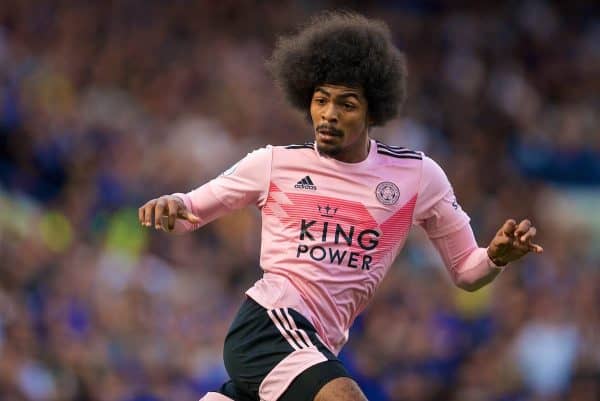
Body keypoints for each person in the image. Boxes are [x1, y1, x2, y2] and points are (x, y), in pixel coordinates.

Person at [138, 12, 543, 401]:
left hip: (318, 345)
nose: (329, 115)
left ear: (372, 111)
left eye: (346, 104)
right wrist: (172, 204)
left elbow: (466, 272)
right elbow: (191, 209)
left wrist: (495, 257)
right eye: (320, 100)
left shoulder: (418, 177)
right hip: (271, 324)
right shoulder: (275, 163)